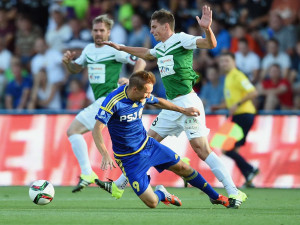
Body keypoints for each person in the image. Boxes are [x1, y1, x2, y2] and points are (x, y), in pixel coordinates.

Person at [101, 6, 247, 207]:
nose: (151, 31)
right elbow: (147, 54)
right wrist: (121, 47)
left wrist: (207, 28)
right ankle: (119, 185)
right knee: (145, 143)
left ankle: (234, 191)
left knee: (201, 149)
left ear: (166, 26)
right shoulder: (160, 47)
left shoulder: (182, 39)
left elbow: (210, 44)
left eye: (154, 27)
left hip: (188, 101)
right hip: (171, 105)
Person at [93, 70, 240, 209]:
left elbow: (159, 102)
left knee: (184, 168)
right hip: (128, 159)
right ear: (134, 90)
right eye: (147, 93)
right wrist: (105, 153)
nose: (149, 96)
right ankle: (161, 193)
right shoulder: (113, 101)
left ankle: (216, 196)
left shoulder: (142, 94)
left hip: (148, 145)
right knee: (152, 203)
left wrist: (183, 110)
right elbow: (96, 129)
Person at [62, 14, 146, 193]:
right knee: (134, 146)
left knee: (73, 131)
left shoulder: (114, 50)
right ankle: (123, 183)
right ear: (91, 31)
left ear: (108, 32)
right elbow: (77, 68)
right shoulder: (88, 50)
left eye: (102, 30)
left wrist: (132, 81)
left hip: (108, 100)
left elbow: (141, 60)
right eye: (95, 30)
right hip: (109, 103)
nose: (98, 33)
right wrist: (69, 63)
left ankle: (87, 173)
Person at [212, 52, 259, 188]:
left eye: (226, 61)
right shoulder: (228, 78)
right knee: (233, 149)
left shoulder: (237, 76)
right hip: (239, 115)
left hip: (244, 115)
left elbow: (253, 92)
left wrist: (237, 105)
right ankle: (249, 178)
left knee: (226, 148)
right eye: (222, 61)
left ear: (234, 62)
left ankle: (250, 169)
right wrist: (220, 107)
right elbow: (233, 102)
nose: (223, 64)